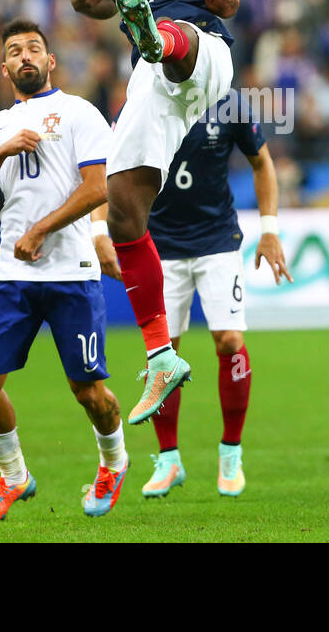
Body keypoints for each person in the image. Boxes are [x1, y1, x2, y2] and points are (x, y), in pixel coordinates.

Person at [72, 0, 243, 425]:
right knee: (123, 214)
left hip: (205, 52)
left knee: (176, 40)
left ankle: (157, 32)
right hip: (149, 82)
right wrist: (88, 4)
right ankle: (161, 354)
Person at [0, 20, 127, 520]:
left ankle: (113, 463)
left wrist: (41, 231)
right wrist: (0, 151)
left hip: (71, 272)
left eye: (34, 48)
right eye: (14, 51)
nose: (25, 56)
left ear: (51, 62)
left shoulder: (79, 113)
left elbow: (99, 188)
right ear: (4, 68)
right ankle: (14, 477)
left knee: (89, 393)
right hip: (12, 277)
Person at [93, 90, 291, 498]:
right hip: (158, 247)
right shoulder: (143, 101)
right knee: (164, 353)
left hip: (217, 241)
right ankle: (169, 460)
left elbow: (262, 162)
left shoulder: (230, 102)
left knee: (231, 340)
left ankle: (231, 453)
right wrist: (100, 232)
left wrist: (269, 229)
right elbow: (105, 169)